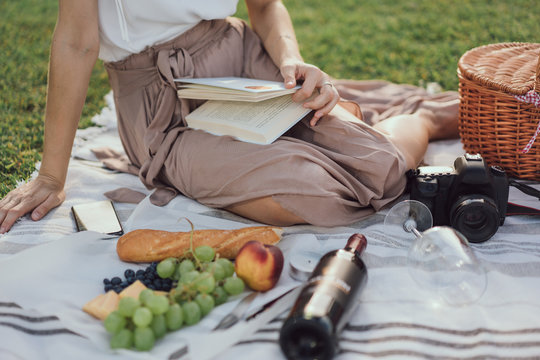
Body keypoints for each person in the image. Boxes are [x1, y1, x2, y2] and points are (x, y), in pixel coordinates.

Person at [0, 0, 459, 234]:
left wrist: (291, 62)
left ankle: (423, 119)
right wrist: (51, 176)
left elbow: (263, 6)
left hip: (243, 60)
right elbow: (75, 42)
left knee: (380, 162)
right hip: (161, 103)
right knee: (313, 193)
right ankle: (409, 121)